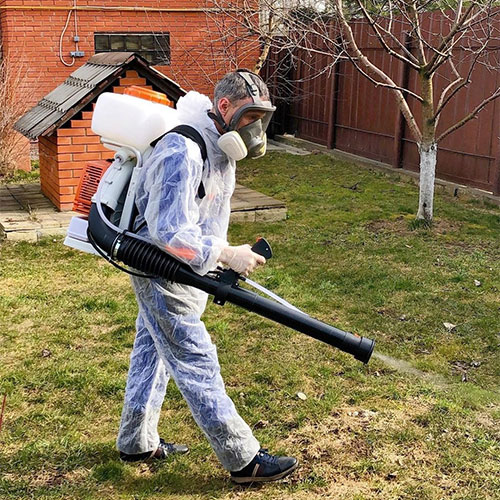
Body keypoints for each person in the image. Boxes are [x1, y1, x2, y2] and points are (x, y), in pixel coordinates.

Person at [116, 70, 299, 484]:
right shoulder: (183, 148)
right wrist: (224, 253)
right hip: (159, 265)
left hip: (185, 266)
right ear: (224, 107)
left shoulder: (219, 151)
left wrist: (224, 256)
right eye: (250, 116)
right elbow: (168, 230)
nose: (256, 128)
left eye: (262, 119)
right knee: (195, 359)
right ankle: (243, 460)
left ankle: (135, 441)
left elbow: (206, 217)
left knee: (152, 349)